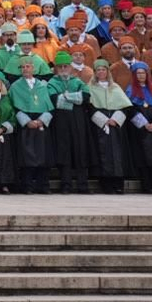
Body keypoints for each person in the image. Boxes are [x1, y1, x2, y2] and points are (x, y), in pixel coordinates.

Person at [8, 53, 54, 195]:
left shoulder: (42, 86)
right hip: (26, 123)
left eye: (28, 66)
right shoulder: (15, 86)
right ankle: (27, 186)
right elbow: (13, 107)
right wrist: (27, 121)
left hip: (41, 122)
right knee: (26, 156)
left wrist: (42, 120)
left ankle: (43, 185)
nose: (25, 69)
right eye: (22, 67)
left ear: (33, 68)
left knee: (43, 155)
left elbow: (49, 106)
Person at [48, 51, 92, 195]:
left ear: (70, 68)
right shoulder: (52, 83)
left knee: (81, 151)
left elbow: (86, 96)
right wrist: (74, 99)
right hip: (60, 122)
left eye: (66, 66)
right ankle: (65, 185)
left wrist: (66, 96)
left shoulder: (77, 81)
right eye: (60, 67)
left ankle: (83, 185)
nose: (63, 69)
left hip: (78, 121)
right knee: (64, 152)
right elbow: (54, 100)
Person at [86, 58, 131, 194]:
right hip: (99, 125)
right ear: (94, 72)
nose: (101, 72)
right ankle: (106, 184)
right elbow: (90, 107)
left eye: (103, 70)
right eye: (98, 70)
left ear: (107, 72)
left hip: (116, 125)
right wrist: (103, 120)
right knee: (103, 153)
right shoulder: (90, 87)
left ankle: (119, 183)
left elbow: (125, 107)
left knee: (117, 153)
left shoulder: (115, 87)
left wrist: (115, 119)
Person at [125, 61, 152, 194]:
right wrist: (144, 124)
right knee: (143, 157)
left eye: (143, 73)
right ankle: (147, 186)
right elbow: (131, 109)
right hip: (140, 130)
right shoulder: (130, 90)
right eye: (138, 73)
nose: (141, 76)